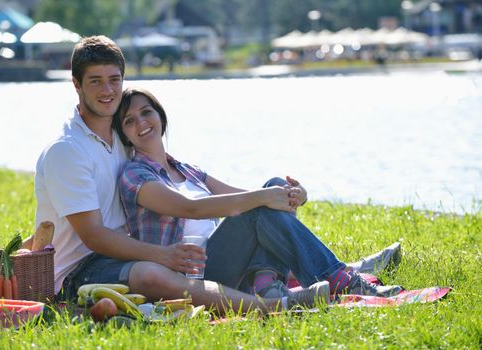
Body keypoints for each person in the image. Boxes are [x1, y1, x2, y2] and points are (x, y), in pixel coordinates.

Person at [33, 35, 324, 314]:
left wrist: (285, 193)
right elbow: (93, 236)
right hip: (78, 273)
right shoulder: (68, 150)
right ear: (76, 84)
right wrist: (160, 254)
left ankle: (327, 278)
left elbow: (197, 190)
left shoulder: (121, 139)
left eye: (114, 80)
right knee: (151, 273)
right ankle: (270, 306)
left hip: (125, 256)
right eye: (95, 81)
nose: (107, 91)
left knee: (259, 204)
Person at [114, 87, 403, 303]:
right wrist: (267, 197)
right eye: (129, 120)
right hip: (190, 277)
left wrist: (293, 195)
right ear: (124, 134)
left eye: (146, 112)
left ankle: (269, 285)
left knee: (269, 189)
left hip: (226, 263)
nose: (141, 123)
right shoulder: (134, 175)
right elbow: (190, 208)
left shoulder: (186, 169)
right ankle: (339, 279)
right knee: (260, 201)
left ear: (160, 114)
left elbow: (244, 196)